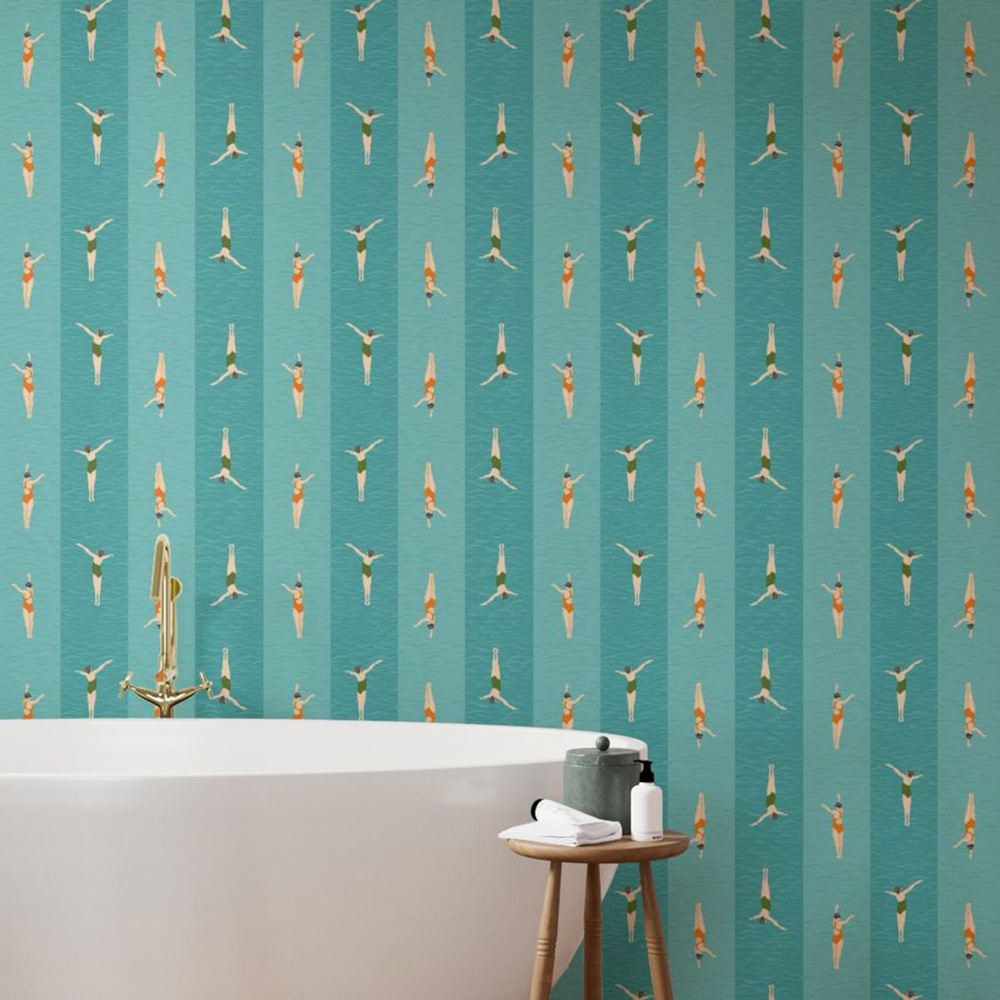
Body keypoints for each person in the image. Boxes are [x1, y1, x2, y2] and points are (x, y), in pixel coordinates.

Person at [75, 542, 113, 607]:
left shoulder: (95, 556)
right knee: (99, 587)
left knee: (95, 587)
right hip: (99, 573)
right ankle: (99, 601)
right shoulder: (102, 558)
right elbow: (107, 556)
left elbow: (87, 551)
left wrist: (81, 545)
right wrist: (111, 555)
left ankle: (96, 601)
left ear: (98, 553)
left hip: (95, 573)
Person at [291, 244, 316, 309]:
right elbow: (306, 260)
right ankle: (296, 304)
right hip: (298, 278)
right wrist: (311, 255)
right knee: (297, 292)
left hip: (296, 278)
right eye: (299, 257)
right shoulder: (299, 262)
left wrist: (296, 248)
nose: (300, 258)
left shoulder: (294, 260)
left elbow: (295, 253)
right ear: (297, 257)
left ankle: (295, 304)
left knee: (295, 292)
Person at [290, 22, 315, 88]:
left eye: (299, 37)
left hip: (299, 58)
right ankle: (295, 83)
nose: (299, 38)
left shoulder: (296, 40)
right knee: (295, 71)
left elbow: (305, 40)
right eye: (298, 37)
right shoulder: (296, 40)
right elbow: (306, 40)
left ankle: (297, 83)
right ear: (297, 37)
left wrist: (296, 26)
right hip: (295, 58)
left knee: (297, 71)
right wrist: (310, 35)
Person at [831, 464, 855, 530]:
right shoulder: (840, 482)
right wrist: (850, 476)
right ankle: (837, 525)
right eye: (839, 478)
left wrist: (836, 468)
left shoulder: (833, 481)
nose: (839, 479)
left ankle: (834, 524)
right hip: (839, 498)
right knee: (838, 512)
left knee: (834, 512)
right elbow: (846, 481)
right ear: (838, 477)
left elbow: (835, 473)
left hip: (834, 498)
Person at [291, 464, 315, 530]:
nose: (300, 478)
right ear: (297, 478)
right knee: (299, 512)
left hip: (294, 498)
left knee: (294, 512)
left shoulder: (294, 481)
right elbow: (306, 481)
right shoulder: (300, 482)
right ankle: (297, 525)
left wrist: (296, 468)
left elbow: (295, 474)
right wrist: (310, 476)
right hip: (300, 498)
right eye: (299, 477)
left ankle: (294, 524)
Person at [831, 245, 855, 310]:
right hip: (838, 278)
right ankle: (836, 304)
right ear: (838, 257)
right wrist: (850, 256)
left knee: (835, 292)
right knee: (837, 292)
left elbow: (835, 254)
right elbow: (845, 260)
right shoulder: (839, 261)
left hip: (835, 278)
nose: (838, 258)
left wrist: (836, 247)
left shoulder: (834, 260)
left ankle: (835, 304)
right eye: (838, 257)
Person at [821, 573, 845, 639]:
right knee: (837, 621)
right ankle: (838, 634)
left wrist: (839, 577)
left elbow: (839, 584)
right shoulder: (837, 591)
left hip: (840, 607)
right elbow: (829, 590)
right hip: (835, 608)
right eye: (836, 588)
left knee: (840, 621)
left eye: (837, 587)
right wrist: (824, 585)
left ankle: (840, 633)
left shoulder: (840, 591)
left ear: (838, 587)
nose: (836, 588)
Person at [561, 24, 584, 88]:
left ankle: (565, 83)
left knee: (564, 71)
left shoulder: (563, 40)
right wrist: (581, 35)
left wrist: (566, 27)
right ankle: (567, 83)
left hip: (565, 57)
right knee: (568, 71)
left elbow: (565, 32)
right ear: (568, 37)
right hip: (569, 57)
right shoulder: (570, 41)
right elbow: (576, 39)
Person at [281, 354, 305, 418]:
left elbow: (289, 370)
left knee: (296, 401)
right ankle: (301, 413)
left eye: (296, 367)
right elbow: (300, 362)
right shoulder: (301, 370)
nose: (296, 368)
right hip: (301, 387)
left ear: (297, 367)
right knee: (301, 401)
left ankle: (298, 414)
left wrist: (285, 365)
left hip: (296, 387)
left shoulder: (295, 371)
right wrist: (299, 357)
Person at [22, 25, 45, 89]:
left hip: (24, 57)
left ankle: (25, 83)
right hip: (30, 58)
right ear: (28, 37)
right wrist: (41, 35)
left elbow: (25, 33)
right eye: (29, 36)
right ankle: (27, 83)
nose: (30, 37)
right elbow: (36, 40)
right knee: (29, 71)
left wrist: (26, 27)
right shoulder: (30, 41)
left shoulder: (24, 40)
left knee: (24, 71)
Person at [683, 131, 706, 197]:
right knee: (698, 148)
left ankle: (702, 135)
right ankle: (700, 135)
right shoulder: (697, 178)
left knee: (703, 148)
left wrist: (701, 193)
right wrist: (686, 185)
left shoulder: (703, 179)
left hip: (703, 161)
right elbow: (691, 180)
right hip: (697, 162)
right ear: (698, 182)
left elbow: (701, 188)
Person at [693, 462, 716, 527]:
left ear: (702, 513)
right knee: (697, 478)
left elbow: (708, 510)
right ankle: (697, 466)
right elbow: (698, 519)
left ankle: (699, 466)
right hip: (696, 492)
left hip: (702, 492)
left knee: (700, 478)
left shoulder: (702, 508)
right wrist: (699, 523)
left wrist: (713, 515)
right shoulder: (696, 510)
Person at [963, 682, 987, 747]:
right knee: (967, 699)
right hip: (967, 712)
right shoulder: (966, 730)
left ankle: (968, 686)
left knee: (970, 699)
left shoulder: (972, 729)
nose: (971, 732)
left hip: (971, 712)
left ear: (970, 733)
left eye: (971, 733)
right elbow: (967, 738)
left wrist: (983, 735)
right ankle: (967, 686)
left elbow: (978, 731)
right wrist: (968, 743)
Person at [144, 132, 167, 196]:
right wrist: (146, 184)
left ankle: (162, 135)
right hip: (157, 162)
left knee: (163, 148)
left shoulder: (163, 179)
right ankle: (160, 135)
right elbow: (151, 180)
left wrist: (161, 193)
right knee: (158, 148)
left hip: (163, 161)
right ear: (158, 182)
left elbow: (162, 187)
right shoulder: (157, 178)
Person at [822, 134, 845, 198]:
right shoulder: (841, 150)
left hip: (835, 166)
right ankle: (840, 192)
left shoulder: (835, 151)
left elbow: (829, 150)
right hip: (841, 166)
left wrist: (824, 145)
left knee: (836, 180)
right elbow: (840, 142)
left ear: (836, 146)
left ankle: (838, 193)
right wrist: (838, 137)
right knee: (841, 180)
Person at [281, 135, 305, 199]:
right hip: (301, 168)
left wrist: (284, 145)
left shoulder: (295, 151)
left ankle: (298, 193)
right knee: (301, 181)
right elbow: (301, 144)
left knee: (296, 181)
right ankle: (301, 193)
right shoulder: (301, 150)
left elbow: (289, 149)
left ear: (297, 146)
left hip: (296, 168)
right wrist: (299, 137)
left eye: (295, 146)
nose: (295, 147)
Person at [684, 572, 707, 637]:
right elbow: (691, 621)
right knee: (698, 588)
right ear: (698, 623)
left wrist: (701, 633)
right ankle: (700, 576)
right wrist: (686, 625)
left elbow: (702, 628)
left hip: (703, 602)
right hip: (697, 603)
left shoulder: (703, 620)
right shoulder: (697, 619)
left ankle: (702, 576)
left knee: (703, 589)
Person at [423, 462, 446, 527]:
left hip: (430, 491)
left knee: (429, 477)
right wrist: (428, 523)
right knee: (428, 477)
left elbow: (438, 510)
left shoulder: (430, 509)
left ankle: (428, 465)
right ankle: (428, 465)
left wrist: (442, 514)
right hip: (428, 491)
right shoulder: (427, 509)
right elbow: (428, 518)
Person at [423, 242, 446, 306]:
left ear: (431, 292)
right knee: (426, 257)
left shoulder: (432, 288)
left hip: (432, 271)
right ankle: (427, 245)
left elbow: (438, 289)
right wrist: (428, 302)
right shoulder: (426, 289)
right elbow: (427, 298)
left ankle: (429, 246)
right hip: (426, 271)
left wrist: (442, 294)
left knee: (430, 257)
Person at [22, 244, 45, 310]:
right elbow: (36, 260)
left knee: (24, 291)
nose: (30, 258)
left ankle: (25, 303)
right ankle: (27, 304)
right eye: (29, 257)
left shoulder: (24, 260)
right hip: (30, 277)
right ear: (29, 257)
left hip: (24, 277)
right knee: (29, 291)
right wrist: (41, 255)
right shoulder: (30, 261)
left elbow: (25, 252)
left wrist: (26, 247)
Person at [831, 685, 854, 749]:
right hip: (839, 718)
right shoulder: (840, 702)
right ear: (837, 698)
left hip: (834, 718)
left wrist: (836, 688)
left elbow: (835, 694)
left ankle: (834, 745)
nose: (840, 699)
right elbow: (846, 701)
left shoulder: (833, 701)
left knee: (834, 732)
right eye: (839, 698)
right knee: (838, 732)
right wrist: (850, 696)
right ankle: (837, 745)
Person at [963, 21, 986, 87]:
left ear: (971, 71)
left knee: (970, 37)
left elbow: (978, 69)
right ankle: (966, 25)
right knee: (966, 38)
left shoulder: (972, 67)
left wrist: (982, 73)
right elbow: (967, 77)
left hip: (971, 51)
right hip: (966, 51)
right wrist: (968, 82)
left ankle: (969, 25)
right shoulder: (966, 68)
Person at [413, 573, 436, 637]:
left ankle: (432, 577)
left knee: (432, 590)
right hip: (427, 603)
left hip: (432, 603)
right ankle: (430, 577)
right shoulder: (427, 619)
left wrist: (431, 634)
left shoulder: (433, 620)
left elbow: (432, 628)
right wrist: (417, 625)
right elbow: (421, 620)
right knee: (429, 589)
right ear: (429, 623)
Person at [561, 465, 584, 530]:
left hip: (564, 498)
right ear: (569, 477)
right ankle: (567, 525)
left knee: (564, 512)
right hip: (570, 498)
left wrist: (566, 468)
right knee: (569, 512)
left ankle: (564, 524)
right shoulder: (571, 482)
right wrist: (581, 476)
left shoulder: (563, 481)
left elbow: (565, 473)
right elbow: (576, 481)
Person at [964, 240, 986, 306]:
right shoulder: (971, 288)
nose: (969, 290)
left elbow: (968, 297)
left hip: (968, 271)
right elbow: (978, 290)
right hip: (970, 271)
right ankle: (968, 245)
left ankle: (967, 245)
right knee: (969, 258)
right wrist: (982, 294)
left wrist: (968, 302)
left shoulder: (968, 289)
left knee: (967, 258)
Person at [953, 792, 976, 857]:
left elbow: (971, 848)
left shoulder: (973, 840)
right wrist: (956, 846)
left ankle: (972, 797)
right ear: (968, 844)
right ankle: (970, 796)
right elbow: (960, 842)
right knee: (969, 809)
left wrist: (970, 854)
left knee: (972, 809)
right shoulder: (966, 839)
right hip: (967, 823)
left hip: (972, 823)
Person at [831, 24, 854, 88]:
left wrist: (836, 27)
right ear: (838, 37)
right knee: (838, 71)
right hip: (839, 57)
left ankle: (834, 83)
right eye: (839, 37)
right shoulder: (840, 41)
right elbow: (846, 40)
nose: (839, 37)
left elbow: (835, 33)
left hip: (834, 57)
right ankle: (837, 84)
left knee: (834, 71)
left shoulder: (833, 40)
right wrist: (850, 35)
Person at [694, 902, 716, 967]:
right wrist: (712, 955)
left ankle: (698, 907)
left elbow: (699, 959)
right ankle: (698, 908)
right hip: (699, 933)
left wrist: (713, 955)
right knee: (698, 919)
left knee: (698, 919)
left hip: (699, 933)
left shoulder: (698, 949)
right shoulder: (699, 949)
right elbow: (707, 951)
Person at [21, 465, 44, 530]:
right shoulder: (30, 482)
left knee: (25, 511)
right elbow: (36, 480)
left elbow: (25, 473)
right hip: (30, 497)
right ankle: (27, 524)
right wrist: (41, 476)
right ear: (30, 477)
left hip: (25, 497)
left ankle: (25, 524)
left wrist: (26, 468)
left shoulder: (24, 481)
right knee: (29, 512)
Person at [954, 572, 976, 638]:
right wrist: (956, 625)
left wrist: (970, 634)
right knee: (969, 589)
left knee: (972, 590)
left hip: (971, 602)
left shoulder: (972, 619)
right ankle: (970, 576)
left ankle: (971, 577)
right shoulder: (967, 619)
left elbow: (971, 629)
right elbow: (961, 621)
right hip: (968, 603)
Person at [153, 21, 175, 86]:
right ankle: (157, 26)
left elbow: (168, 69)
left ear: (161, 72)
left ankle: (159, 25)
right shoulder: (156, 69)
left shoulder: (162, 68)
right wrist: (158, 83)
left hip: (162, 51)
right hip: (157, 51)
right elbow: (157, 77)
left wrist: (173, 73)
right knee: (157, 38)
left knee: (161, 38)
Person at [964, 903, 986, 967]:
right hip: (966, 932)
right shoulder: (965, 950)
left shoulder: (972, 949)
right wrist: (968, 963)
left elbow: (978, 950)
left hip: (971, 932)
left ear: (970, 953)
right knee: (966, 919)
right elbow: (967, 958)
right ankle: (967, 907)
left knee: (970, 919)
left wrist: (982, 955)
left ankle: (969, 907)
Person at [693, 21, 716, 85]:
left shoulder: (699, 69)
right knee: (699, 38)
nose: (699, 70)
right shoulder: (700, 69)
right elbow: (707, 70)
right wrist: (712, 74)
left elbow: (698, 77)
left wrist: (698, 82)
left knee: (698, 38)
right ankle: (698, 26)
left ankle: (698, 26)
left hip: (699, 51)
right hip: (699, 51)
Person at [954, 131, 976, 196]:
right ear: (968, 182)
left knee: (972, 149)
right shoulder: (967, 178)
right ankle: (970, 136)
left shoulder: (973, 179)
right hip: (967, 162)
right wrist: (956, 184)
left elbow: (971, 187)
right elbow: (961, 180)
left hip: (973, 161)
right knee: (968, 149)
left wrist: (970, 193)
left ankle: (972, 136)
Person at [692, 792, 707, 856]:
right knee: (699, 808)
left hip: (702, 823)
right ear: (698, 843)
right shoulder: (698, 839)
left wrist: (701, 854)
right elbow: (692, 840)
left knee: (702, 809)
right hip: (697, 823)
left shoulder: (703, 839)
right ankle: (700, 796)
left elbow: (702, 849)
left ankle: (702, 797)